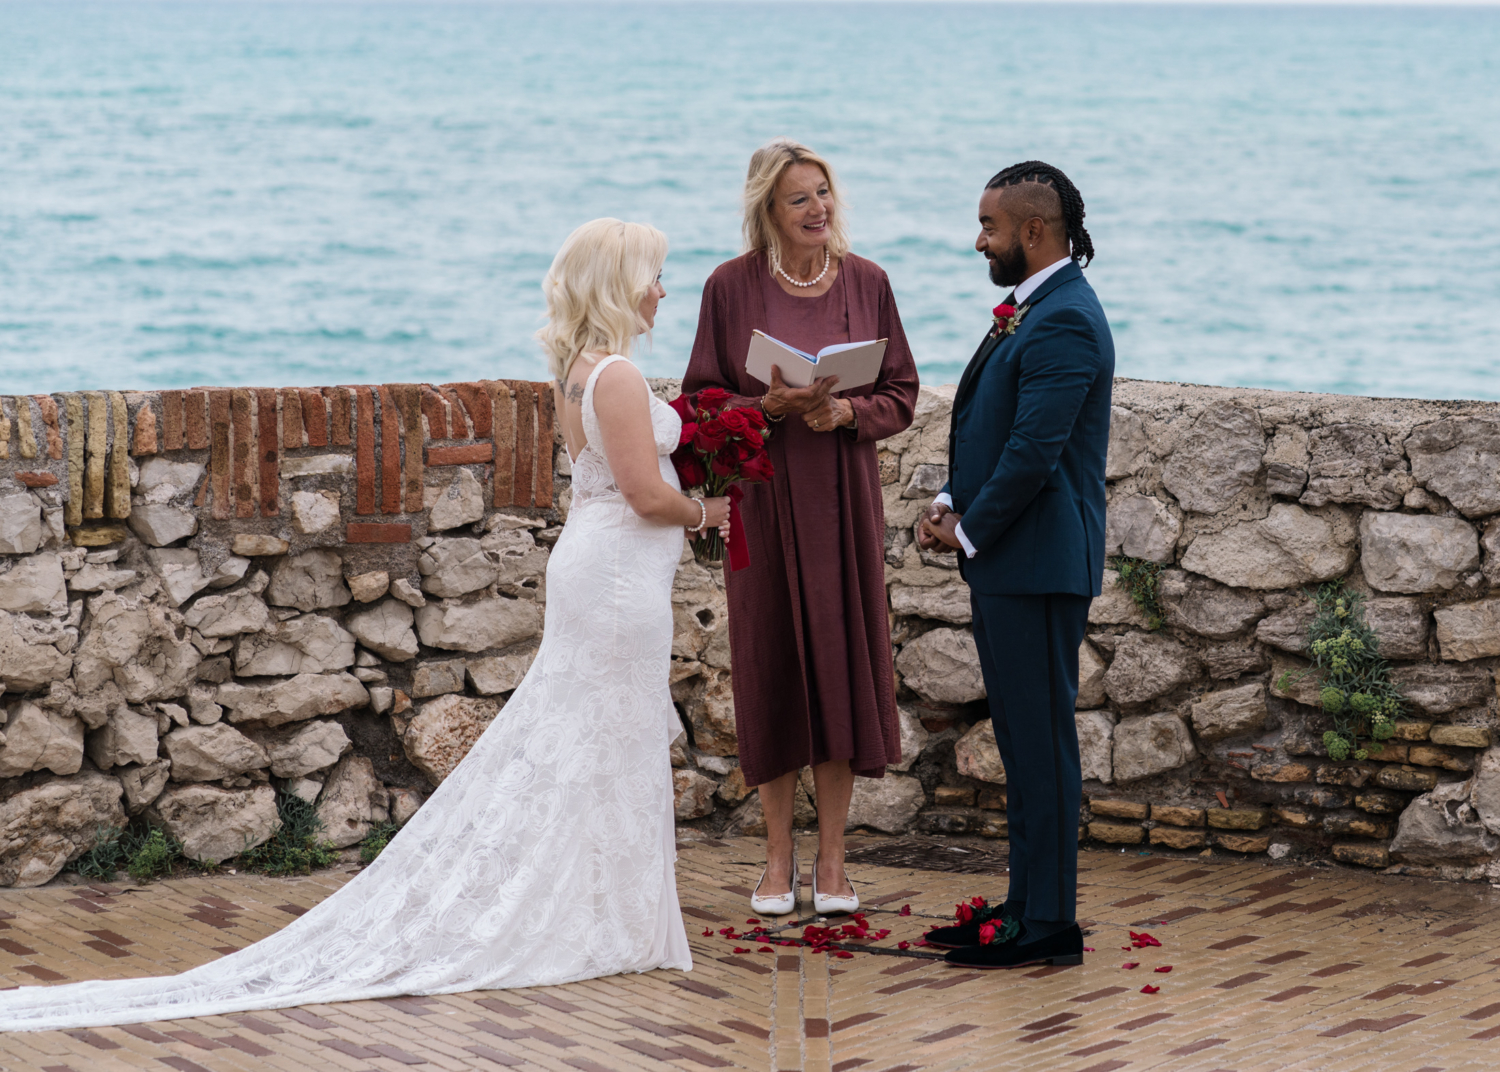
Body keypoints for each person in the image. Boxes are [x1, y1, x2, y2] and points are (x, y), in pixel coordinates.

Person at [0, 218, 731, 1031]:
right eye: (656, 275)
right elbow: (645, 494)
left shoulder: (579, 373)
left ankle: (606, 907)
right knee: (607, 731)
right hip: (619, 576)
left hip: (603, 567)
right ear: (620, 281)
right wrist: (715, 509)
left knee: (597, 734)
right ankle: (603, 914)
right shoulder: (619, 376)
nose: (664, 291)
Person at [683, 138, 918, 916]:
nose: (818, 209)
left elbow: (902, 393)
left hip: (842, 502)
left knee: (842, 669)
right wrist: (766, 408)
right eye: (799, 199)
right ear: (768, 211)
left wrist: (847, 409)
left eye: (823, 193)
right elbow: (700, 403)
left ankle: (834, 863)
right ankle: (777, 859)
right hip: (763, 502)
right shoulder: (728, 287)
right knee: (772, 669)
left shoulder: (869, 282)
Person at [918, 162, 1113, 969]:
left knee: (1042, 747)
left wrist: (969, 531)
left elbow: (1036, 454)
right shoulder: (1034, 310)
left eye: (990, 227)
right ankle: (1025, 905)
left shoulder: (1065, 318)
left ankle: (1051, 925)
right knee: (1022, 742)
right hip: (1011, 561)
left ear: (1034, 232)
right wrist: (949, 496)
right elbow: (995, 426)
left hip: (1035, 563)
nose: (979, 241)